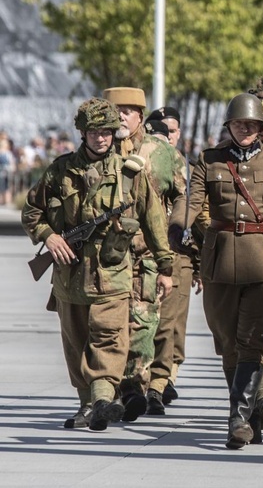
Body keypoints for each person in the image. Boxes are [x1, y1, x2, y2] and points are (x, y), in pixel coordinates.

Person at [22, 98, 174, 431]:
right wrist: (49, 237)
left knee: (109, 339)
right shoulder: (60, 170)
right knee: (76, 343)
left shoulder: (129, 172)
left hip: (112, 273)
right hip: (70, 274)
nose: (100, 138)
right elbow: (32, 211)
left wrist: (165, 265)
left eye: (106, 132)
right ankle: (88, 404)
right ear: (82, 133)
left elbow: (153, 219)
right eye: (93, 132)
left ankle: (104, 398)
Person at [168, 92, 263, 448]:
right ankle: (248, 414)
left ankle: (238, 418)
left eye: (252, 124)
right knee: (227, 340)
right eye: (239, 123)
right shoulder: (209, 160)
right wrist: (176, 226)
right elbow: (192, 200)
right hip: (220, 262)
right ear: (228, 125)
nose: (245, 129)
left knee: (251, 342)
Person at [103, 87, 187, 422]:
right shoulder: (99, 148)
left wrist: (176, 235)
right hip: (107, 256)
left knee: (143, 322)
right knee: (108, 324)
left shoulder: (160, 150)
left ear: (140, 115)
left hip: (147, 253)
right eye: (115, 110)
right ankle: (106, 392)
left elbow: (183, 195)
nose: (121, 116)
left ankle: (135, 387)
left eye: (128, 110)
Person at [145, 106, 204, 413]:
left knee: (171, 326)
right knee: (148, 323)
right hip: (146, 253)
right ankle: (151, 381)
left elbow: (194, 215)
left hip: (178, 253)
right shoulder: (141, 162)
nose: (167, 136)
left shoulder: (185, 165)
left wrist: (199, 260)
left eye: (172, 131)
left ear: (178, 134)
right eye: (161, 130)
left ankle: (162, 379)